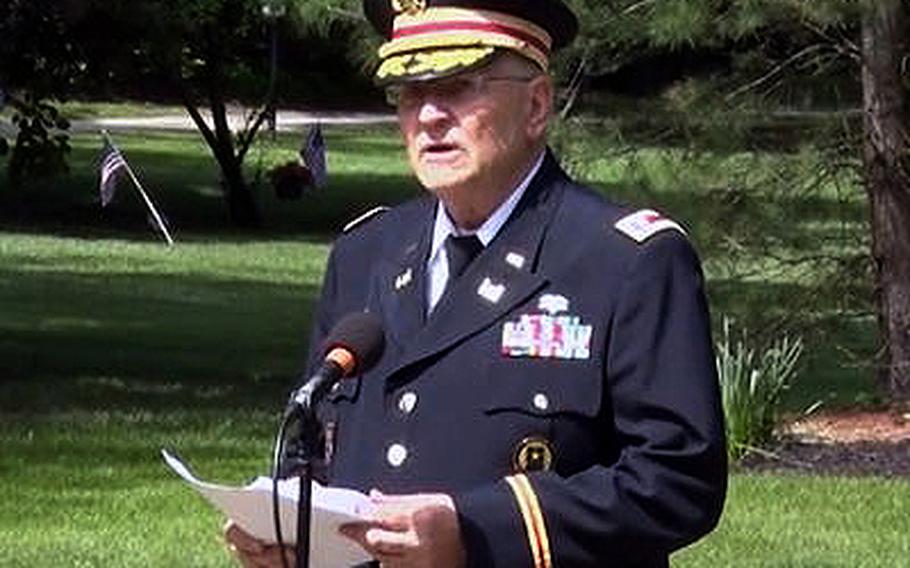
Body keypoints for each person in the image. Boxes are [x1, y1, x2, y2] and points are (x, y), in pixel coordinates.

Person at [226, 0, 727, 566]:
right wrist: (290, 528)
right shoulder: (366, 253)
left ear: (537, 104)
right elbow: (315, 444)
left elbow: (679, 479)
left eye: (460, 87)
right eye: (411, 92)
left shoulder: (625, 260)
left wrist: (475, 531)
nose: (431, 115)